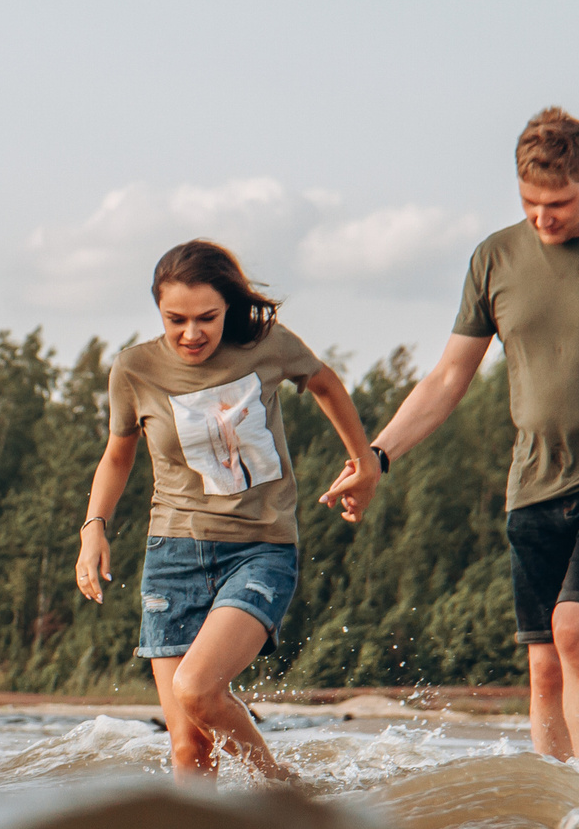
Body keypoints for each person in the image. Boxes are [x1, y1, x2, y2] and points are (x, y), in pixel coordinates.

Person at [324, 107, 579, 763]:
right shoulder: (495, 258)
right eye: (530, 202)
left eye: (560, 204)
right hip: (535, 484)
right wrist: (377, 454)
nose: (544, 218)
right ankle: (556, 815)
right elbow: (447, 378)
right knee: (544, 666)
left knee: (575, 626)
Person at [77, 239, 380, 780]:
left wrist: (364, 463)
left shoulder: (266, 346)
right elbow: (117, 457)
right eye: (176, 319)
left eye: (206, 318)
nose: (191, 333)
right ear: (159, 311)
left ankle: (280, 791)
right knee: (188, 748)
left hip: (261, 548)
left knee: (196, 689)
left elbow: (326, 383)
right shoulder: (134, 369)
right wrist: (93, 528)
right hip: (172, 555)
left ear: (228, 311)